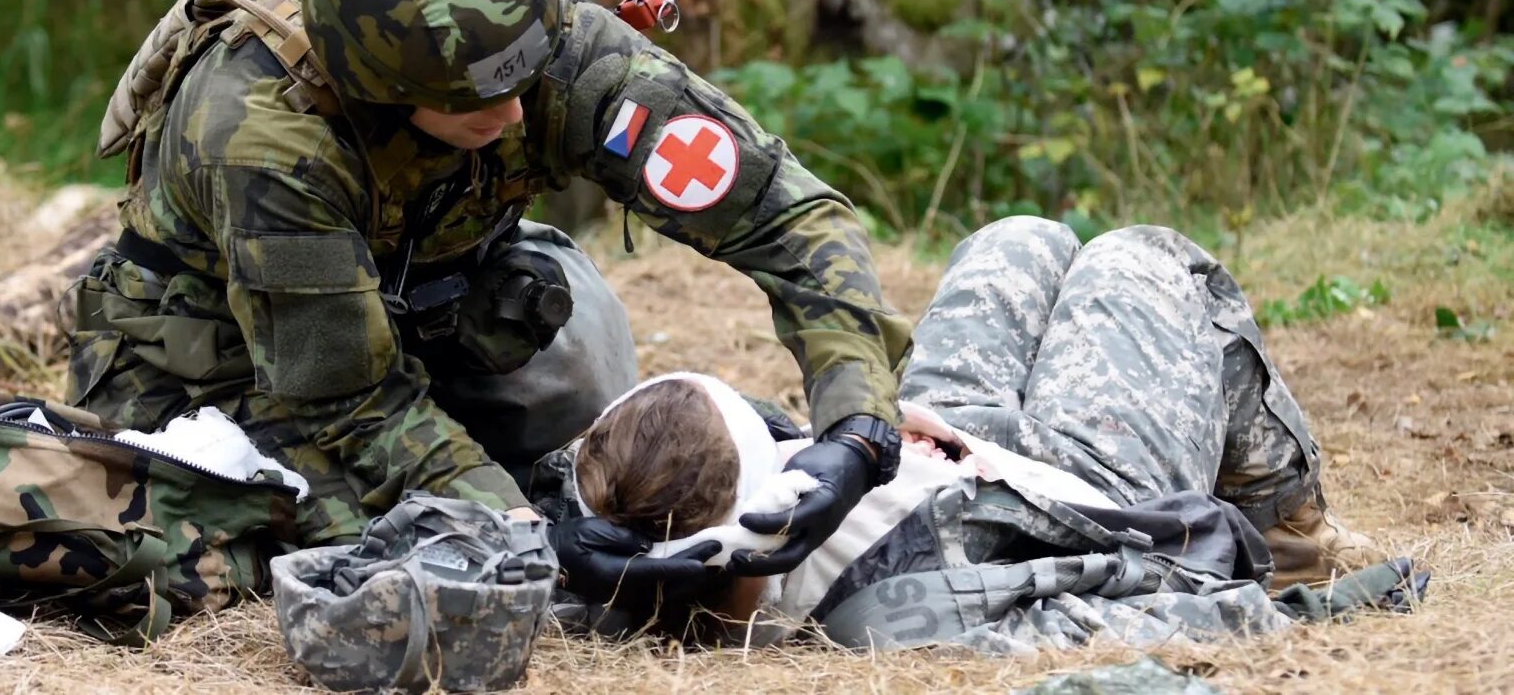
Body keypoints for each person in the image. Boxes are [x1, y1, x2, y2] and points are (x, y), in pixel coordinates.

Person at [65, 0, 911, 599]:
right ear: (379, 85)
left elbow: (788, 215)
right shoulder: (265, 136)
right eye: (474, 100)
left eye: (524, 80)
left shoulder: (542, 49)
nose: (511, 116)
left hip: (428, 310)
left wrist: (856, 430)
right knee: (371, 544)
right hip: (231, 367)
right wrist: (527, 537)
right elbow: (346, 402)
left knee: (579, 351)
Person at [535, 217, 1410, 650]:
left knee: (1020, 237)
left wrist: (849, 440)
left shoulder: (616, 524)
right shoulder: (894, 613)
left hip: (938, 454)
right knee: (1141, 258)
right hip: (1065, 494)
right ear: (769, 497)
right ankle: (1292, 527)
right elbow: (1119, 606)